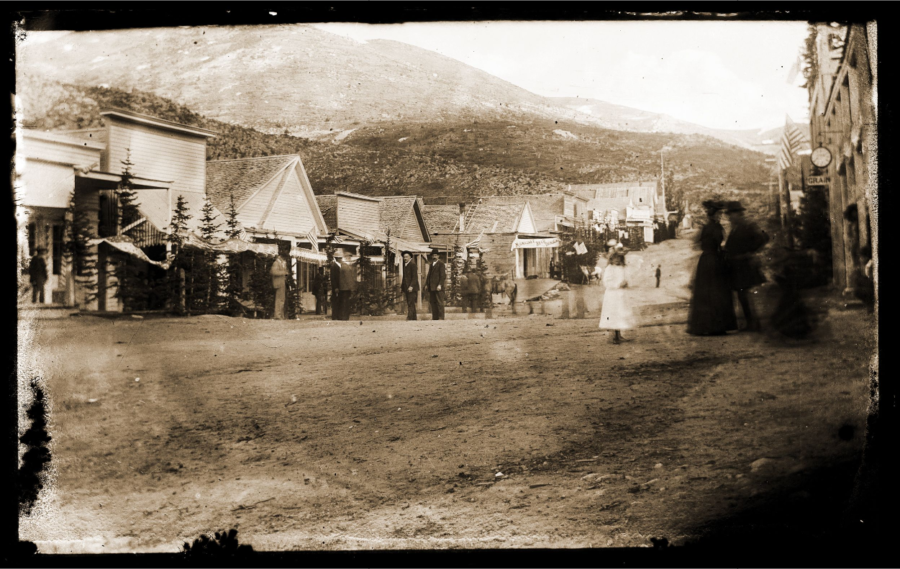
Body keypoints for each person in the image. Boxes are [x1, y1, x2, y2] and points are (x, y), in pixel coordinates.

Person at [687, 201, 737, 336]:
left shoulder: (707, 227)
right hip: (714, 260)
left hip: (707, 260)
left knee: (708, 292)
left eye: (720, 213)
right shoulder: (715, 228)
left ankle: (707, 325)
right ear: (713, 215)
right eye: (718, 213)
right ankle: (715, 325)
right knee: (716, 291)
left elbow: (699, 244)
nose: (720, 216)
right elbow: (717, 244)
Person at [724, 200, 769, 332]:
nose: (730, 217)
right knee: (742, 294)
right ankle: (752, 322)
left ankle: (753, 323)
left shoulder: (747, 225)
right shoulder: (736, 227)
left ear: (739, 214)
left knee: (744, 294)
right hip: (737, 265)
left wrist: (751, 252)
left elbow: (763, 237)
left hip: (744, 264)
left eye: (732, 214)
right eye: (729, 214)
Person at [599, 241, 635, 344]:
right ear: (612, 259)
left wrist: (626, 283)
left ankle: (619, 335)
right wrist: (617, 285)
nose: (617, 261)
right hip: (612, 295)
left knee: (620, 315)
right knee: (613, 315)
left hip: (621, 295)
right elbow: (606, 282)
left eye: (619, 259)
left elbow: (626, 277)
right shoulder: (610, 268)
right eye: (615, 258)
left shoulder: (623, 268)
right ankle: (613, 337)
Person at [426, 252, 446, 320]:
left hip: (438, 287)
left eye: (435, 255)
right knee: (433, 302)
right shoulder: (431, 264)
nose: (434, 256)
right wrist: (427, 284)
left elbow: (443, 276)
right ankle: (435, 317)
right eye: (433, 255)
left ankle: (441, 317)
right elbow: (429, 276)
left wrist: (440, 284)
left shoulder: (441, 264)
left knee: (439, 302)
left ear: (438, 256)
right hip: (431, 287)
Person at [338, 252, 358, 320]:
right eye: (348, 257)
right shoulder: (346, 267)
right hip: (346, 288)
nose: (349, 259)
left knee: (343, 302)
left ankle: (342, 316)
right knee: (345, 303)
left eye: (349, 257)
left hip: (343, 288)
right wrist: (352, 287)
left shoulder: (343, 266)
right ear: (345, 258)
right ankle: (344, 317)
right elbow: (348, 278)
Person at [400, 252, 419, 320]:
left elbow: (414, 277)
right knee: (410, 302)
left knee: (411, 302)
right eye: (404, 257)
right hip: (407, 287)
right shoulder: (405, 265)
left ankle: (410, 317)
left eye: (406, 257)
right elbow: (404, 277)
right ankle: (413, 317)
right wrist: (402, 287)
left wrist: (411, 286)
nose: (405, 258)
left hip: (412, 287)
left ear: (410, 257)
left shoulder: (412, 264)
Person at [270, 253, 289, 320]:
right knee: (279, 300)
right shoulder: (276, 263)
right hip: (279, 283)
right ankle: (277, 315)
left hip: (282, 282)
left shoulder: (282, 263)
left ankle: (281, 315)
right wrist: (283, 272)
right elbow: (273, 272)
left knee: (282, 299)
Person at [330, 250, 344, 321]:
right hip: (336, 287)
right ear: (337, 258)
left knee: (339, 301)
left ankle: (338, 315)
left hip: (340, 286)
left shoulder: (339, 266)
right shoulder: (334, 266)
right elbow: (333, 278)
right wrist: (335, 287)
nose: (341, 259)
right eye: (340, 258)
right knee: (335, 301)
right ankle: (335, 316)